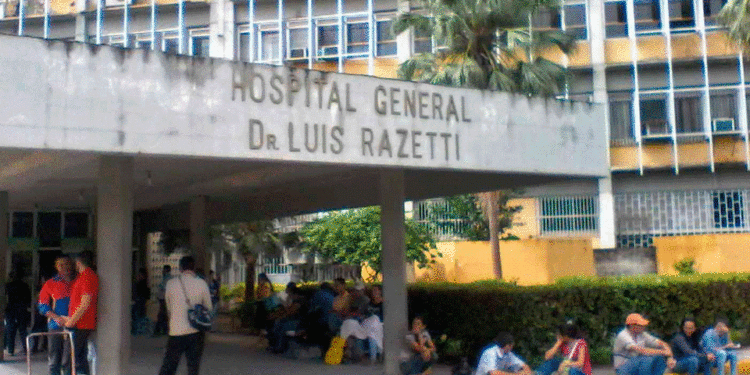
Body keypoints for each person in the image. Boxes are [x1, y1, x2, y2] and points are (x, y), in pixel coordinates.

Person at [157, 256, 212, 375]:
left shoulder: (171, 284)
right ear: (193, 268)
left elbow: (169, 308)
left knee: (169, 366)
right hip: (196, 332)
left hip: (176, 331)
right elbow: (208, 308)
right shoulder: (202, 283)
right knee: (193, 367)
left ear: (180, 268)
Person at [38, 255, 74, 375]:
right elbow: (42, 305)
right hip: (55, 325)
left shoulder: (77, 282)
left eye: (66, 264)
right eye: (61, 265)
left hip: (74, 324)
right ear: (56, 267)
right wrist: (56, 317)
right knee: (54, 359)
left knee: (69, 360)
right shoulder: (50, 283)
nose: (64, 268)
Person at [64, 251, 99, 375]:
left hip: (81, 324)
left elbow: (85, 303)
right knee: (80, 358)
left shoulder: (87, 277)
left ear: (78, 262)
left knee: (70, 359)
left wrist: (71, 321)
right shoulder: (84, 277)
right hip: (79, 323)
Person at [4, 268, 31, 356]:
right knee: (23, 330)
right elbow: (28, 298)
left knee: (10, 330)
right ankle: (26, 349)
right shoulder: (25, 285)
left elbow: (5, 298)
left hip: (11, 308)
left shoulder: (8, 285)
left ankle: (10, 350)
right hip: (21, 309)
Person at [153, 265, 172, 337]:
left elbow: (164, 288)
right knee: (163, 315)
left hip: (164, 299)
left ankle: (157, 330)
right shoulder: (165, 278)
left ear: (166, 270)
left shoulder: (168, 278)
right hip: (162, 298)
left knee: (161, 314)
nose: (162, 271)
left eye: (163, 270)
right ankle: (165, 330)